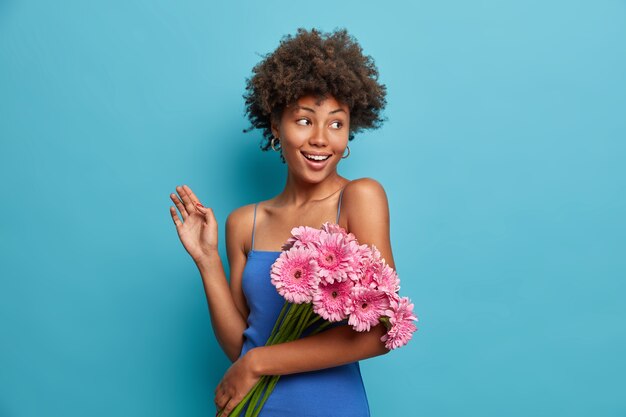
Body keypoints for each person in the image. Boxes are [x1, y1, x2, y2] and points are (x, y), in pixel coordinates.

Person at [169, 27, 394, 417]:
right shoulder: (245, 222)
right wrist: (206, 261)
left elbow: (380, 332)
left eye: (336, 124)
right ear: (276, 127)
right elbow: (240, 345)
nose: (321, 139)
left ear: (349, 132)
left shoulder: (360, 198)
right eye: (304, 120)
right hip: (254, 409)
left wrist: (258, 363)